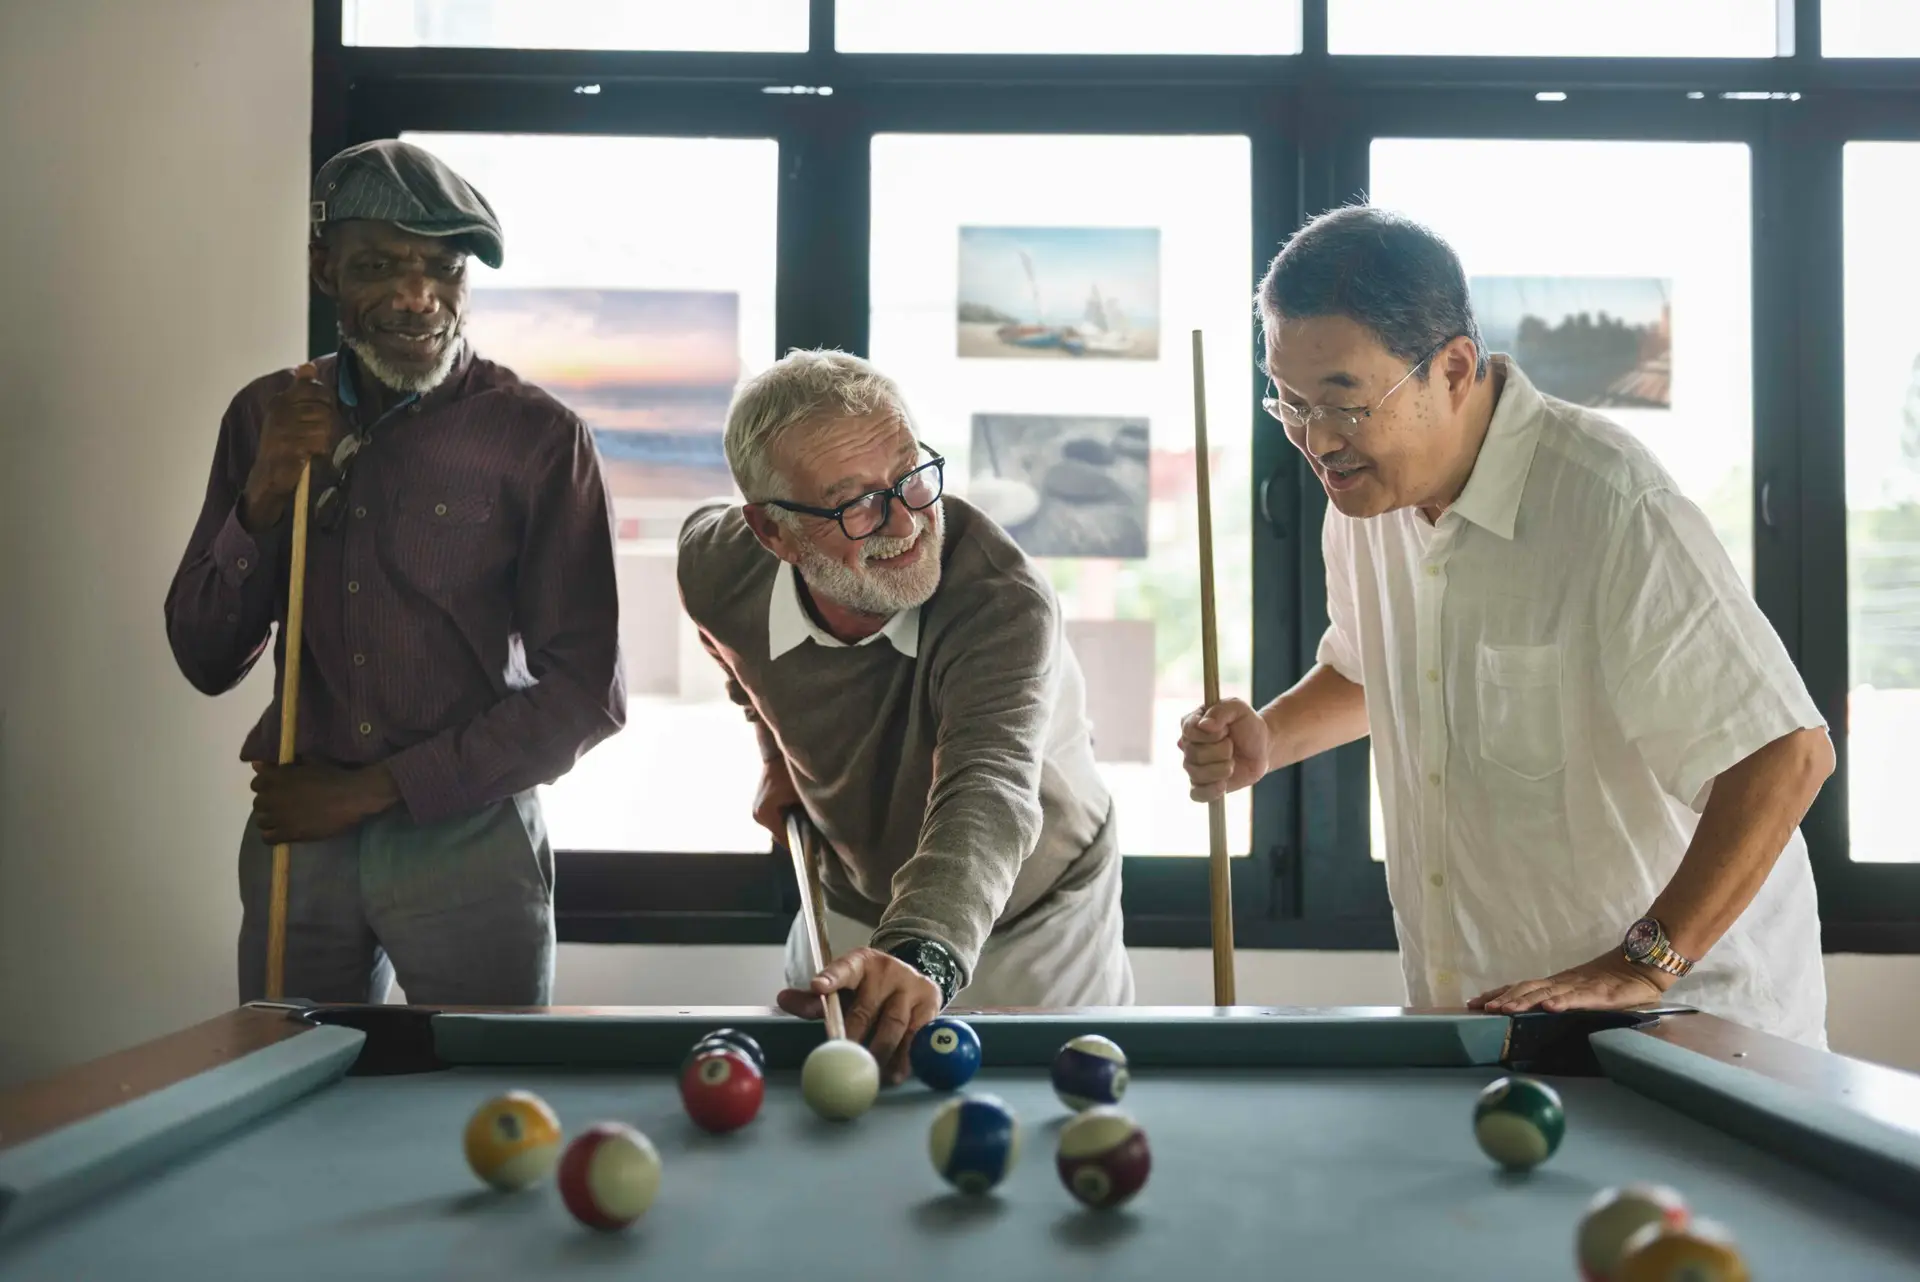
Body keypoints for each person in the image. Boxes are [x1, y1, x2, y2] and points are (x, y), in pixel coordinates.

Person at [1179, 205, 1833, 1047]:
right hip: (1499, 1022)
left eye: (1344, 404)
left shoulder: (1610, 502)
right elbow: (1374, 672)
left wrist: (1640, 965)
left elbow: (1784, 755)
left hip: (1688, 1023)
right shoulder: (1363, 502)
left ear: (1452, 368)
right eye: (1290, 404)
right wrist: (1266, 739)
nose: (1316, 442)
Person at [165, 140, 625, 1006]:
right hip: (298, 837)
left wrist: (367, 794)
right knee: (287, 1095)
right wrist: (261, 497)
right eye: (379, 265)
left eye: (443, 269)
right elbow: (203, 656)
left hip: (470, 836)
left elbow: (586, 695)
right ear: (325, 269)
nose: (419, 296)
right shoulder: (264, 414)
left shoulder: (538, 438)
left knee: (480, 1111)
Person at [678, 349, 1132, 1082]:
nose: (906, 522)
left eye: (911, 476)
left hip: (1036, 913)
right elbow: (733, 653)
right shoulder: (717, 564)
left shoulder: (1002, 603)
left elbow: (988, 792)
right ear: (772, 533)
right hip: (855, 892)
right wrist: (773, 755)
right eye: (854, 500)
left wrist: (919, 952)